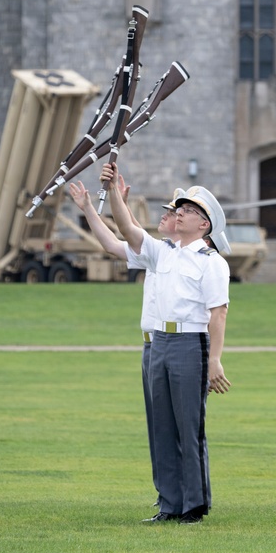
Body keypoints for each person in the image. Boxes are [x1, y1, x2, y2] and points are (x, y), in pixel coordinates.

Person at [102, 162, 232, 526]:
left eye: (187, 211)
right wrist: (113, 191)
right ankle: (169, 503)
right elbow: (127, 229)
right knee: (160, 426)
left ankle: (194, 504)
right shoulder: (164, 252)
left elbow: (217, 313)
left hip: (191, 343)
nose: (179, 214)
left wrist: (216, 360)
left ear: (203, 224)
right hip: (160, 341)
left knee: (188, 427)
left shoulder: (212, 263)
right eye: (180, 210)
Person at [68, 176, 184, 510]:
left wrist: (117, 201)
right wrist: (90, 207)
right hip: (151, 346)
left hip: (173, 344)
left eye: (170, 212)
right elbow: (114, 243)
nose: (164, 215)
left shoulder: (172, 254)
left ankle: (180, 498)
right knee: (158, 426)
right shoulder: (156, 253)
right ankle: (169, 496)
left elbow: (131, 232)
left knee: (176, 428)